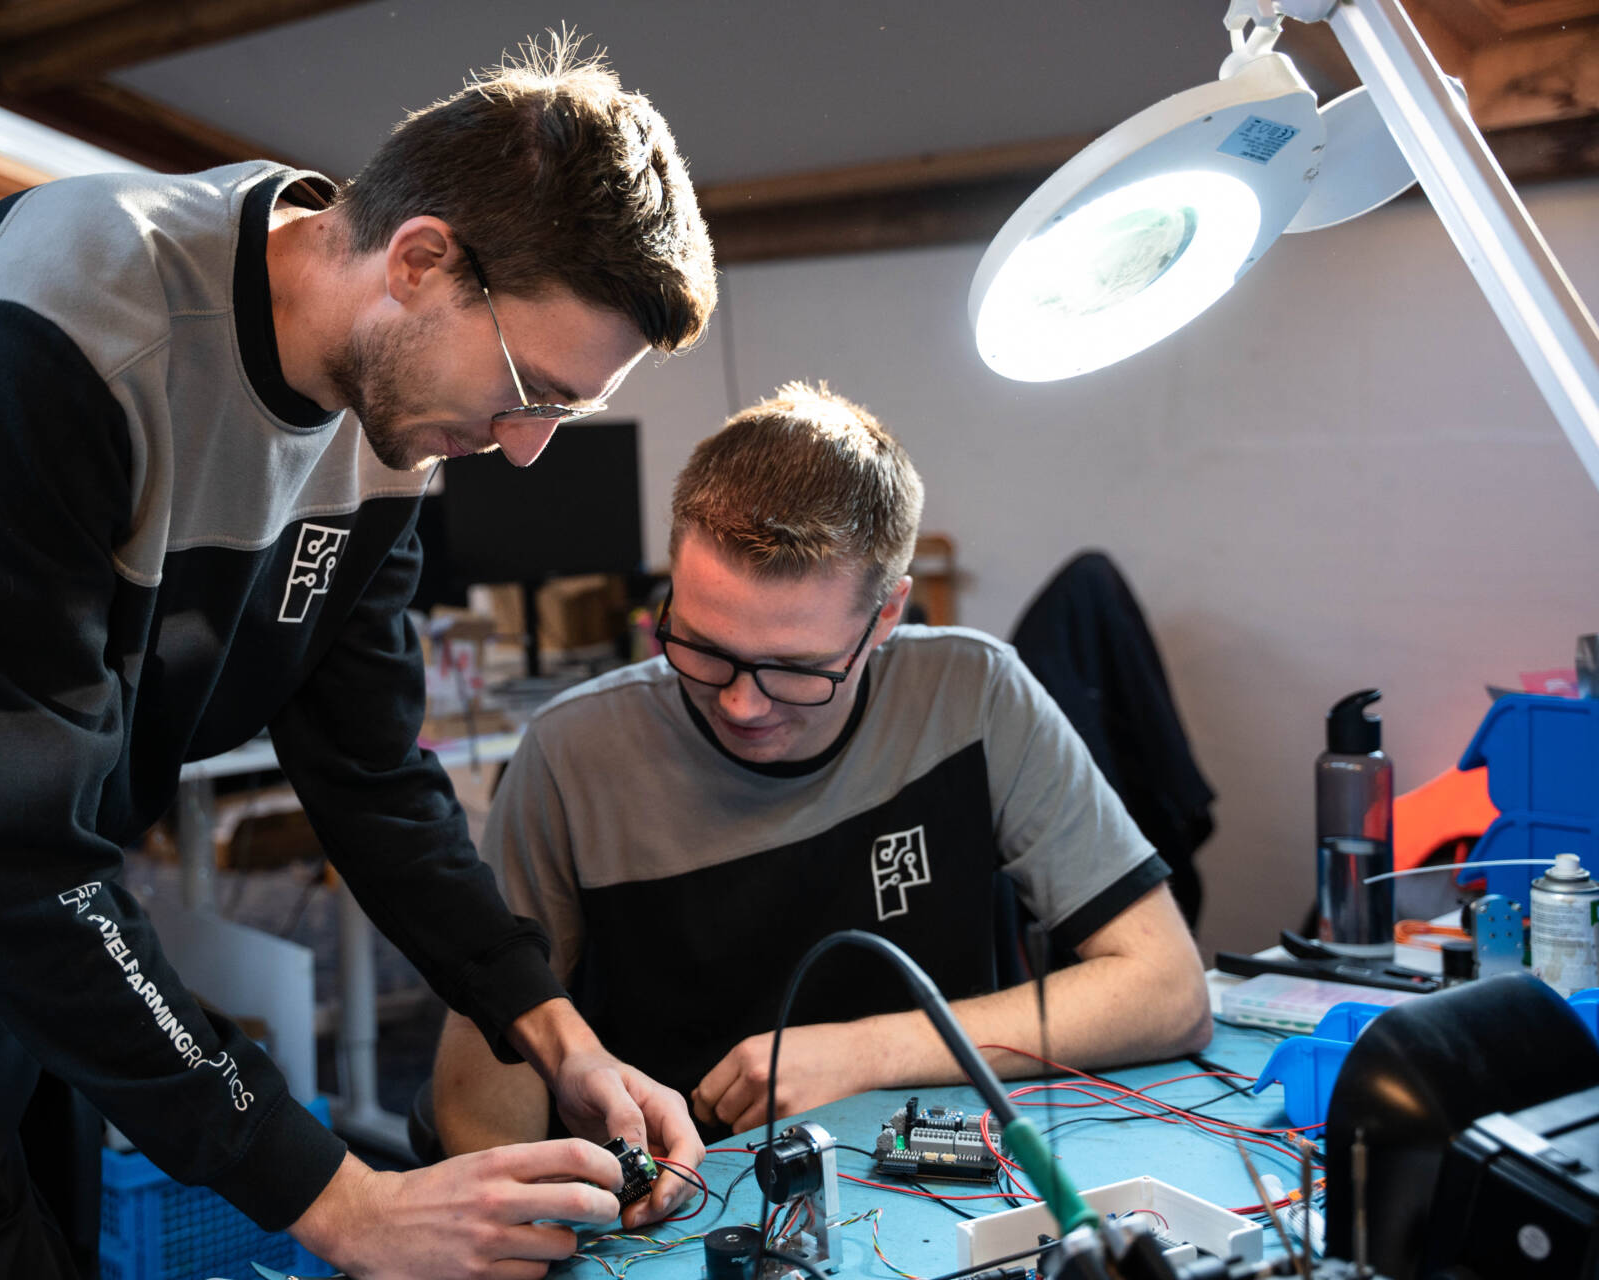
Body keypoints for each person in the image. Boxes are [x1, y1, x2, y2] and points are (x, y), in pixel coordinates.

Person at [0, 38, 715, 1280]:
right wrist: (346, 1205)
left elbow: (373, 775)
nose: (528, 447)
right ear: (422, 257)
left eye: (564, 412)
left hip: (27, 907)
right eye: (527, 387)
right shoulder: (56, 330)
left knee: (71, 1217)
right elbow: (20, 852)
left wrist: (553, 1032)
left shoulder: (394, 419)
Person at [432, 383, 1213, 1155]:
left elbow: (1169, 991)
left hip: (939, 1180)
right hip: (686, 1206)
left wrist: (865, 1054)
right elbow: (486, 1066)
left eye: (795, 669)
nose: (741, 704)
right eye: (702, 647)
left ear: (887, 615)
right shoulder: (573, 756)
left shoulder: (974, 697)